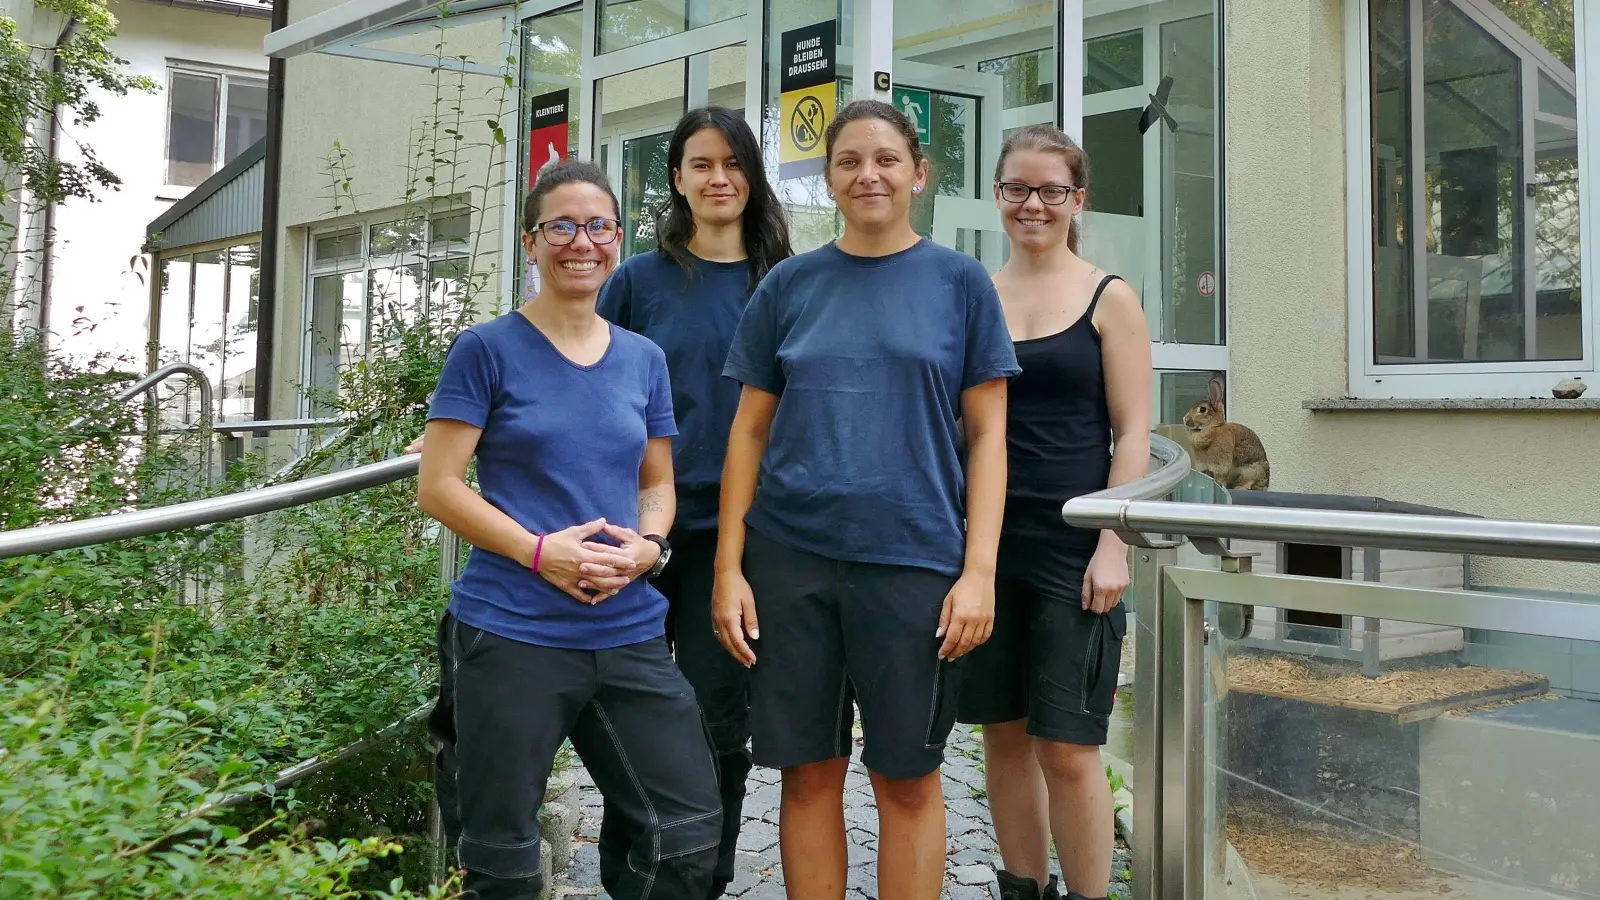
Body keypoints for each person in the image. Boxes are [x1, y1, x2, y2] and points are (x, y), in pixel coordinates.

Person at [712, 99, 1020, 900]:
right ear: (830, 179)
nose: (868, 174)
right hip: (792, 561)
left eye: (886, 158)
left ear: (918, 173)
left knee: (908, 778)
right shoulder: (789, 285)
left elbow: (990, 436)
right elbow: (746, 433)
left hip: (915, 560)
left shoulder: (961, 285)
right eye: (848, 160)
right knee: (807, 774)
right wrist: (729, 569)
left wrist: (978, 571)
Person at [417, 159, 722, 900]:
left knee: (686, 830)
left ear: (616, 239)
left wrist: (649, 548)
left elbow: (656, 482)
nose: (581, 241)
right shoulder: (486, 350)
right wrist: (540, 551)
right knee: (502, 856)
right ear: (531, 241)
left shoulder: (642, 359)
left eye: (598, 226)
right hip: (510, 633)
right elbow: (439, 485)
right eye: (561, 225)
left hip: (627, 630)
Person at [593, 105, 794, 898]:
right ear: (676, 177)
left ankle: (702, 879)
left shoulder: (783, 281)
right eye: (701, 164)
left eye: (733, 164)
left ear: (752, 176)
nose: (719, 179)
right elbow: (573, 362)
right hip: (637, 528)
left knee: (718, 719)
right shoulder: (637, 282)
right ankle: (627, 878)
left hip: (737, 538)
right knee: (628, 712)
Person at [954, 124, 1153, 900]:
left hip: (1073, 547)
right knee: (1002, 736)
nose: (1032, 204)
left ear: (1078, 199)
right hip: (987, 545)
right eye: (1016, 188)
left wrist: (1114, 541)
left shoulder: (1110, 298)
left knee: (1067, 746)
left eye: (1051, 190)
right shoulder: (974, 297)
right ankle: (1023, 890)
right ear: (997, 193)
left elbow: (1134, 430)